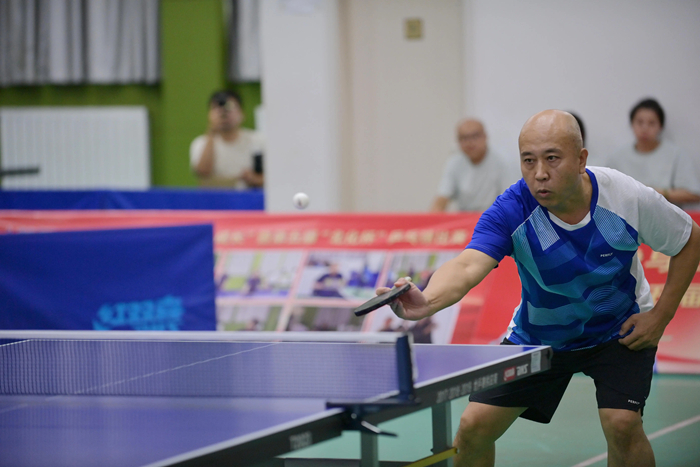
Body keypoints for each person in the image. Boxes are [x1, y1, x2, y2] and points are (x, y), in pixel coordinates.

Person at [377, 110, 700, 466]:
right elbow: (468, 264)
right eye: (528, 161)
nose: (540, 173)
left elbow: (689, 239)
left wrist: (661, 316)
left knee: (623, 425)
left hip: (618, 329)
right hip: (541, 335)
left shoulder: (624, 196)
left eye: (552, 158)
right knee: (473, 428)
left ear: (581, 160)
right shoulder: (513, 209)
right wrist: (427, 301)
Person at [607, 98, 700, 207]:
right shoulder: (617, 156)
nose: (644, 128)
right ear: (632, 124)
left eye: (651, 123)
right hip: (627, 215)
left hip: (665, 215)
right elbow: (606, 191)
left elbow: (694, 194)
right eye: (640, 122)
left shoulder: (676, 154)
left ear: (660, 127)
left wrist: (655, 193)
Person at [190, 90, 264, 188]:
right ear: (209, 114)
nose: (223, 113)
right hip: (216, 196)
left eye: (229, 107)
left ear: (242, 113)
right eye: (216, 108)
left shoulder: (259, 140)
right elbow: (202, 173)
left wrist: (254, 179)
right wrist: (212, 131)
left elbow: (275, 176)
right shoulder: (200, 143)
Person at [431, 119, 506, 212]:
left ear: (485, 136)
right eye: (464, 138)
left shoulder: (503, 161)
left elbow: (510, 202)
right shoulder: (454, 162)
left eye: (475, 136)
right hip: (465, 217)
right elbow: (442, 197)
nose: (469, 142)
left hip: (494, 217)